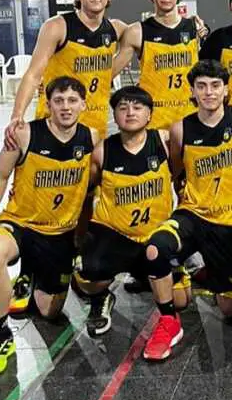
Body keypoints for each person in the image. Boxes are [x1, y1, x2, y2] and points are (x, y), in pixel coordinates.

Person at [141, 60, 232, 361]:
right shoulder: (181, 128)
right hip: (193, 214)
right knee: (156, 249)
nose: (209, 92)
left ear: (226, 89)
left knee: (228, 308)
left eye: (215, 85)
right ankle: (169, 321)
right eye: (201, 86)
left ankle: (200, 270)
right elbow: (176, 169)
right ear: (192, 91)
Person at [0, 77, 97, 375]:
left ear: (84, 105)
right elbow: (0, 176)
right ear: (48, 105)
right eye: (58, 101)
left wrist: (84, 236)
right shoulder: (24, 135)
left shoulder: (91, 137)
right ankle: (1, 335)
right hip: (20, 224)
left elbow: (93, 189)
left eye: (72, 101)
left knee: (49, 311)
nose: (65, 107)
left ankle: (30, 274)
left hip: (60, 235)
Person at [74, 86, 191, 336]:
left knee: (181, 300)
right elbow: (87, 193)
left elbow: (181, 177)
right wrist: (81, 238)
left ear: (149, 114)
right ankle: (101, 297)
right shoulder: (102, 151)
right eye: (123, 108)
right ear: (114, 115)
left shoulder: (164, 142)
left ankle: (145, 275)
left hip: (154, 237)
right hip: (116, 235)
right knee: (88, 277)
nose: (130, 113)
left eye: (137, 107)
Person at [5, 0, 124, 146]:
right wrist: (17, 115)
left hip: (95, 120)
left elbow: (142, 43)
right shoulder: (57, 26)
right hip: (56, 120)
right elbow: (33, 74)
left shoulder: (117, 29)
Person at [112, 0, 207, 129]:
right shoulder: (137, 32)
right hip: (154, 120)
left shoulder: (195, 28)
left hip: (190, 117)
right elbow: (108, 73)